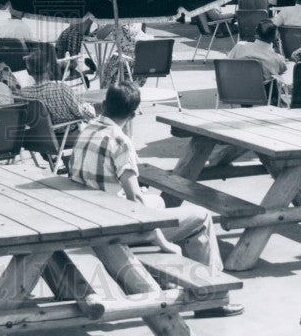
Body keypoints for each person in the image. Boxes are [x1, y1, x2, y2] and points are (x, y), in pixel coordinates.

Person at [69, 84, 243, 318]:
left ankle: (171, 279)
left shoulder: (86, 130)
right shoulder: (120, 141)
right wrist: (161, 241)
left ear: (105, 104)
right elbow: (136, 200)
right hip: (117, 224)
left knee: (159, 203)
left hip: (91, 214)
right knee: (201, 218)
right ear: (132, 115)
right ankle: (211, 297)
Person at [18, 43, 94, 133]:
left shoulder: (23, 94)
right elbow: (89, 114)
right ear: (48, 66)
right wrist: (89, 106)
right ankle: (88, 72)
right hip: (67, 137)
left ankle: (88, 71)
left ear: (28, 72)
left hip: (41, 140)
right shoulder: (61, 89)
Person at [227, 19, 288, 101]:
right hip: (261, 94)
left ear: (256, 32)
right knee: (274, 77)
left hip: (234, 89)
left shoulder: (239, 46)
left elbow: (228, 62)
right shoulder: (276, 58)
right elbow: (282, 69)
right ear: (275, 36)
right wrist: (277, 48)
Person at [96, 21, 147, 87]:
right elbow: (100, 35)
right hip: (138, 57)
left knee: (113, 69)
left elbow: (142, 32)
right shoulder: (114, 18)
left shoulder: (138, 17)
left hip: (130, 57)